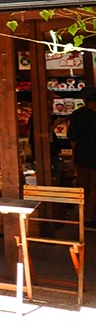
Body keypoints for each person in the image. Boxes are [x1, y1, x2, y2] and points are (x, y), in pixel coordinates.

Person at [67, 85, 96, 225]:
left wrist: (74, 155)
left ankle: (83, 215)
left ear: (84, 99)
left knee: (83, 185)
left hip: (82, 155)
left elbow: (73, 138)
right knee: (94, 187)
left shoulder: (78, 114)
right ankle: (90, 216)